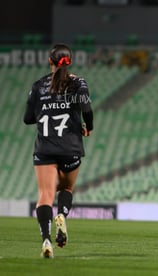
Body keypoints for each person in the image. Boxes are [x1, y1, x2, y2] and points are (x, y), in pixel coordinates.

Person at [23, 43, 93, 258]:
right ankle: (62, 214)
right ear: (70, 60)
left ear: (50, 62)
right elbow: (87, 109)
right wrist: (87, 127)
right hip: (70, 147)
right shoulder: (78, 84)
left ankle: (46, 239)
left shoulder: (38, 86)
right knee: (66, 189)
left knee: (45, 195)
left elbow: (28, 119)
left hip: (45, 149)